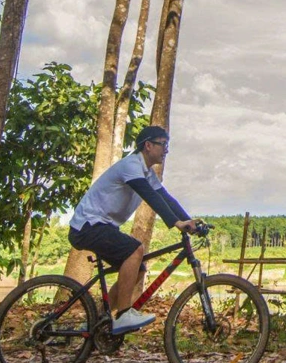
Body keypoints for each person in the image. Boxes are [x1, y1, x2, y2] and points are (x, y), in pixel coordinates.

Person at [68, 125, 201, 334]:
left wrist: (189, 220)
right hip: (88, 226)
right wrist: (176, 223)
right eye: (163, 144)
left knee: (138, 268)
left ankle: (99, 321)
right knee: (135, 250)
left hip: (101, 226)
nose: (166, 150)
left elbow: (165, 197)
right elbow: (148, 195)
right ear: (148, 145)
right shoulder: (131, 165)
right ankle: (123, 314)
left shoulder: (146, 172)